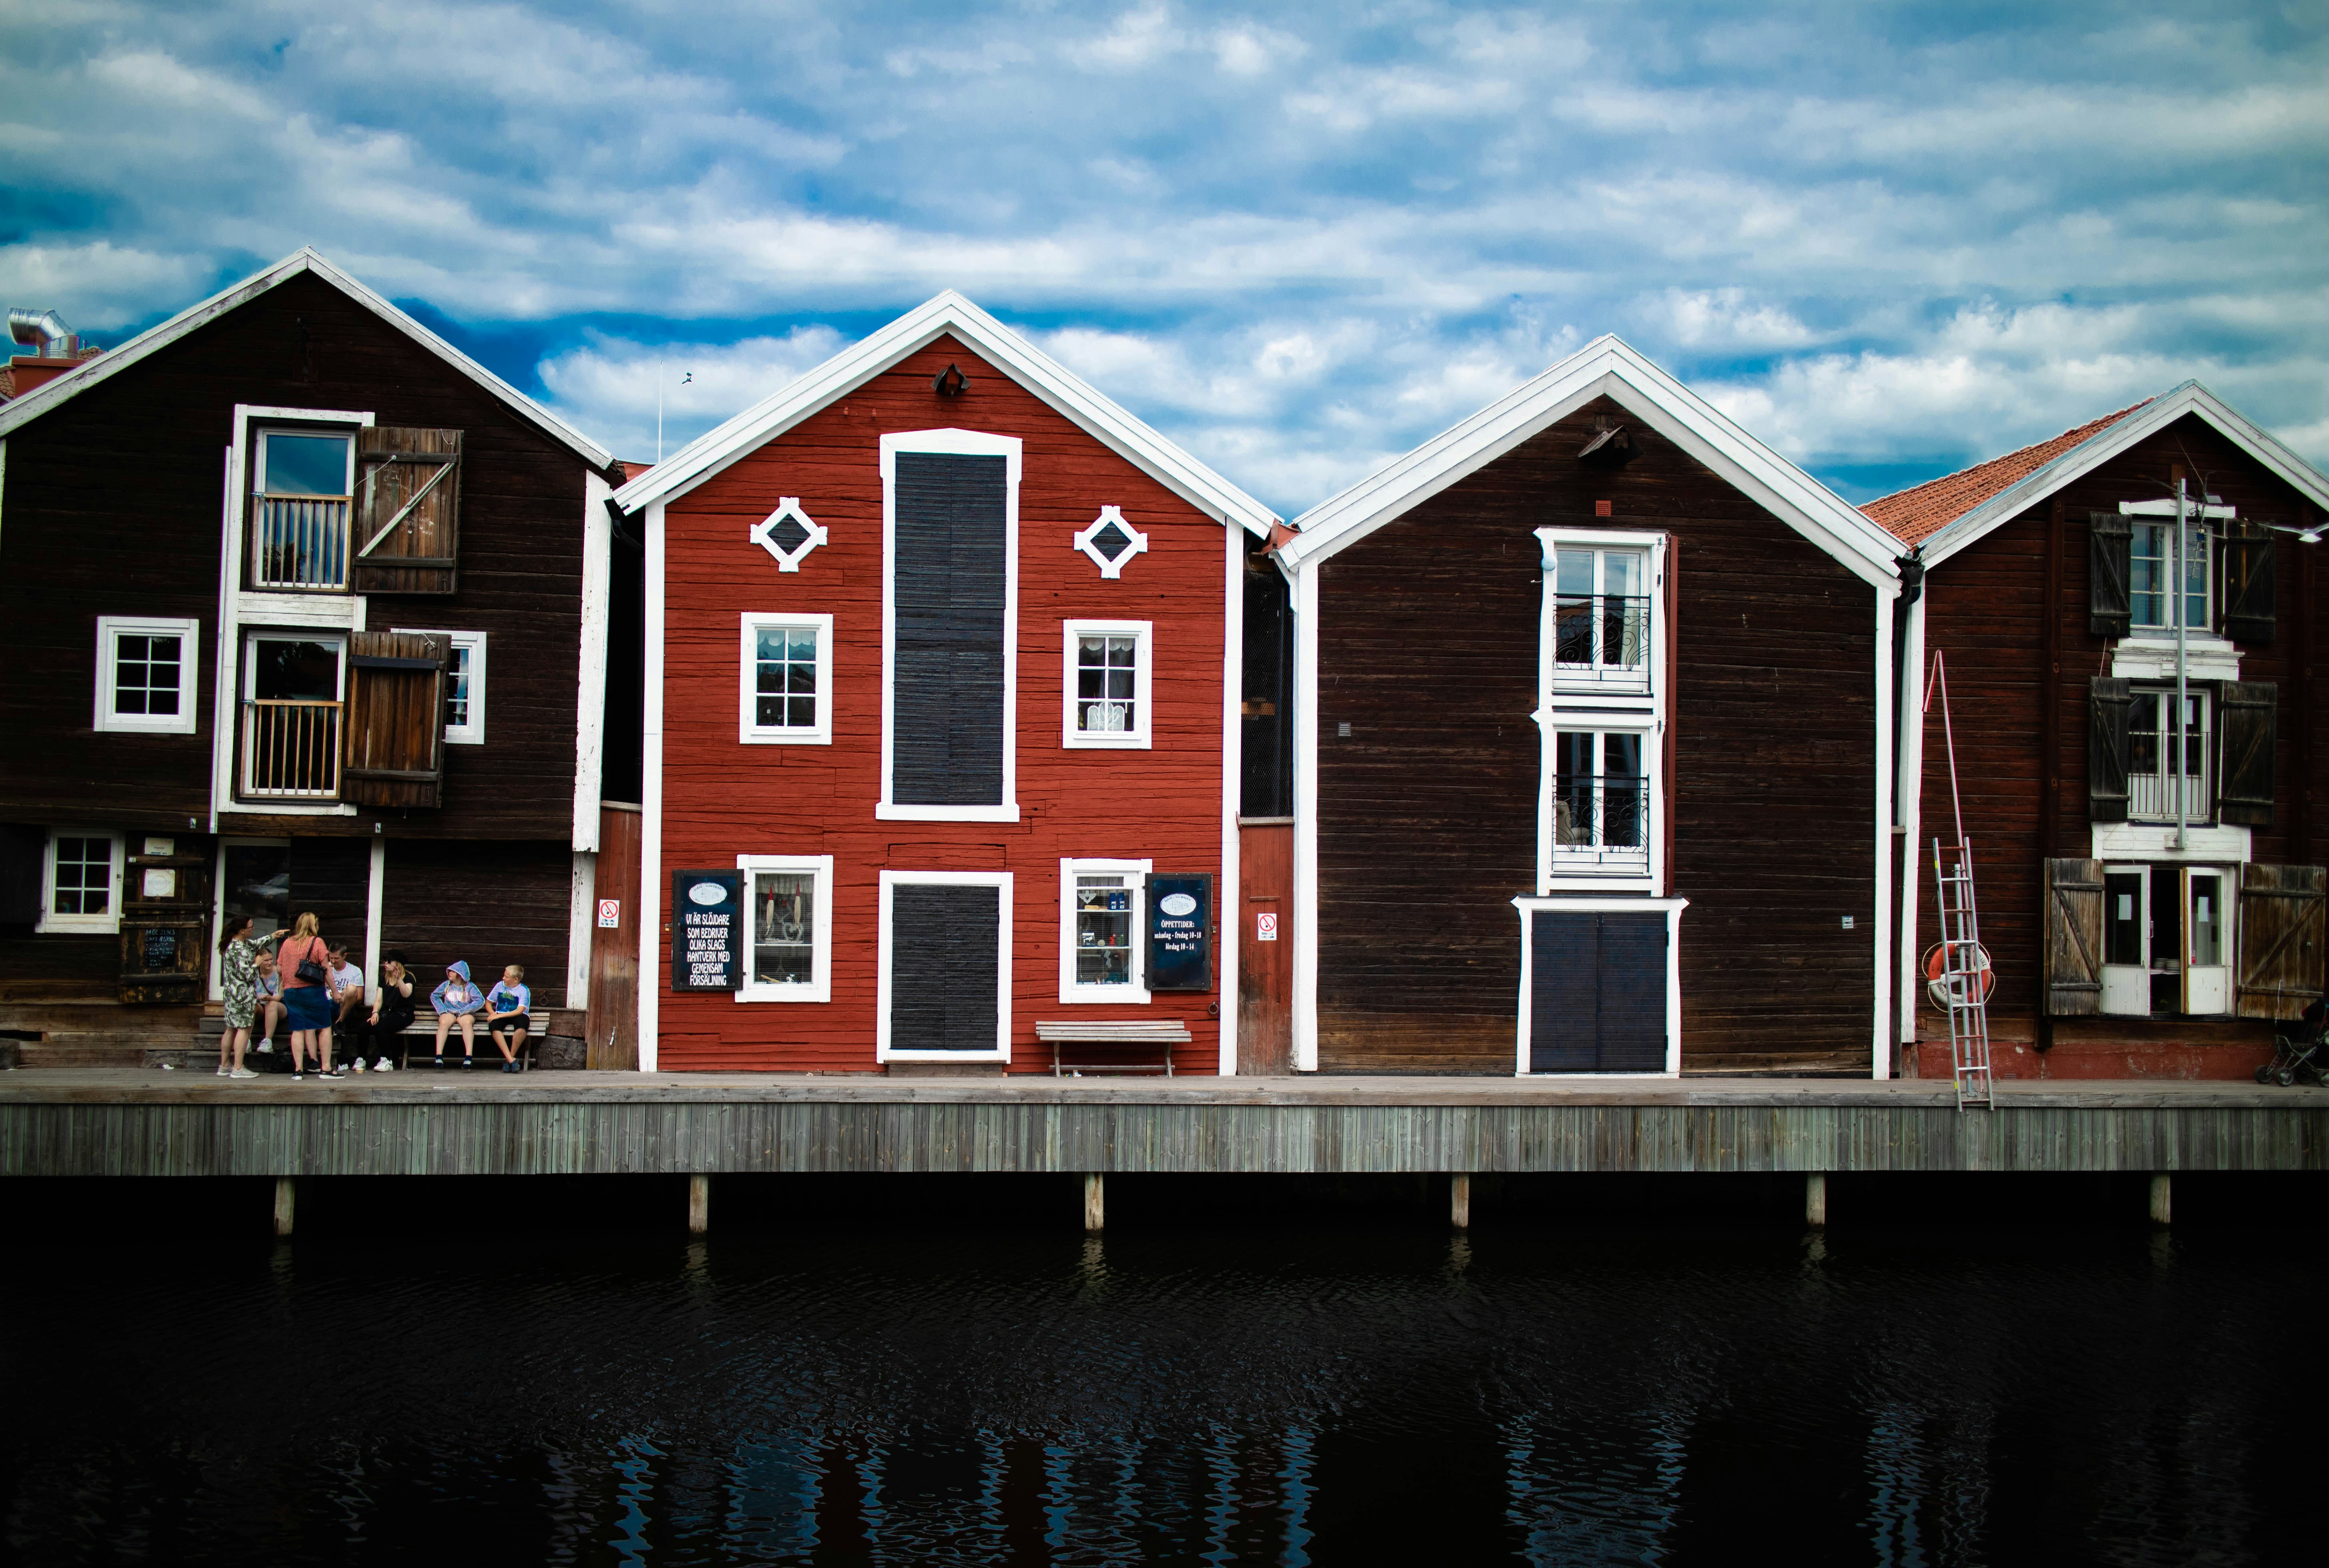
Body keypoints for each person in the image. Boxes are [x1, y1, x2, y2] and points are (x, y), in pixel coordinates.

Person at [215, 914, 283, 1079]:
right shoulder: (237, 950)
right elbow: (246, 975)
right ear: (242, 931)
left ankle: (224, 1066)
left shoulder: (239, 944)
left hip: (231, 994)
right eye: (251, 927)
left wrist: (273, 936)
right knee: (244, 1030)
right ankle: (238, 1068)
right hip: (242, 996)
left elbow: (257, 944)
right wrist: (257, 964)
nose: (253, 929)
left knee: (230, 1029)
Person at [276, 911, 340, 1079]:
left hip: (291, 992)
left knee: (298, 1030)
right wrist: (335, 991)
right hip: (313, 991)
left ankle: (298, 1070)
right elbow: (326, 970)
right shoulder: (317, 942)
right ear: (314, 926)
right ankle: (326, 1068)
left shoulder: (287, 943)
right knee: (324, 1027)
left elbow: (280, 969)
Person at [364, 951, 417, 1068]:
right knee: (365, 1027)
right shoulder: (385, 979)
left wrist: (399, 979)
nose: (385, 964)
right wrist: (375, 1013)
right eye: (385, 961)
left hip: (404, 1014)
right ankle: (361, 1059)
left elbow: (407, 994)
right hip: (388, 1013)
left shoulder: (408, 977)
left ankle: (387, 1060)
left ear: (397, 964)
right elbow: (379, 1000)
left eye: (389, 961)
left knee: (381, 1027)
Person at [430, 960, 486, 1066]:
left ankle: (469, 1056)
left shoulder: (470, 987)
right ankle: (439, 1056)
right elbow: (435, 996)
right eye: (449, 971)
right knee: (444, 1023)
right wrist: (443, 1011)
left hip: (465, 1013)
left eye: (453, 972)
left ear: (460, 975)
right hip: (450, 1012)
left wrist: (465, 1010)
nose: (450, 973)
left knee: (467, 1023)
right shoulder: (447, 985)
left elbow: (480, 1000)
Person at [324, 942, 367, 1070]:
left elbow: (358, 997)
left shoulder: (355, 971)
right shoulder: (326, 969)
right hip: (328, 1003)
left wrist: (342, 994)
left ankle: (340, 1022)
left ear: (345, 956)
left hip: (346, 1005)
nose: (333, 961)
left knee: (352, 988)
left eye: (336, 958)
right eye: (331, 958)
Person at [484, 964, 533, 1073]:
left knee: (522, 1026)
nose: (503, 979)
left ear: (516, 979)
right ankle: (511, 1060)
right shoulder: (499, 986)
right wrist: (493, 1014)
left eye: (507, 977)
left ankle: (509, 1058)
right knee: (494, 1025)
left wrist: (498, 1016)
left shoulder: (524, 990)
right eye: (504, 976)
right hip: (501, 1013)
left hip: (517, 1015)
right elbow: (488, 1002)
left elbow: (520, 1011)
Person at [252, 947, 286, 1056]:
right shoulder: (254, 973)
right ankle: (246, 1041)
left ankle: (267, 1041)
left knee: (271, 1005)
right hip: (259, 1007)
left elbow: (279, 996)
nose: (270, 962)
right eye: (266, 960)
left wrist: (269, 998)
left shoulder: (278, 973)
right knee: (251, 1005)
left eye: (271, 959)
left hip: (277, 1006)